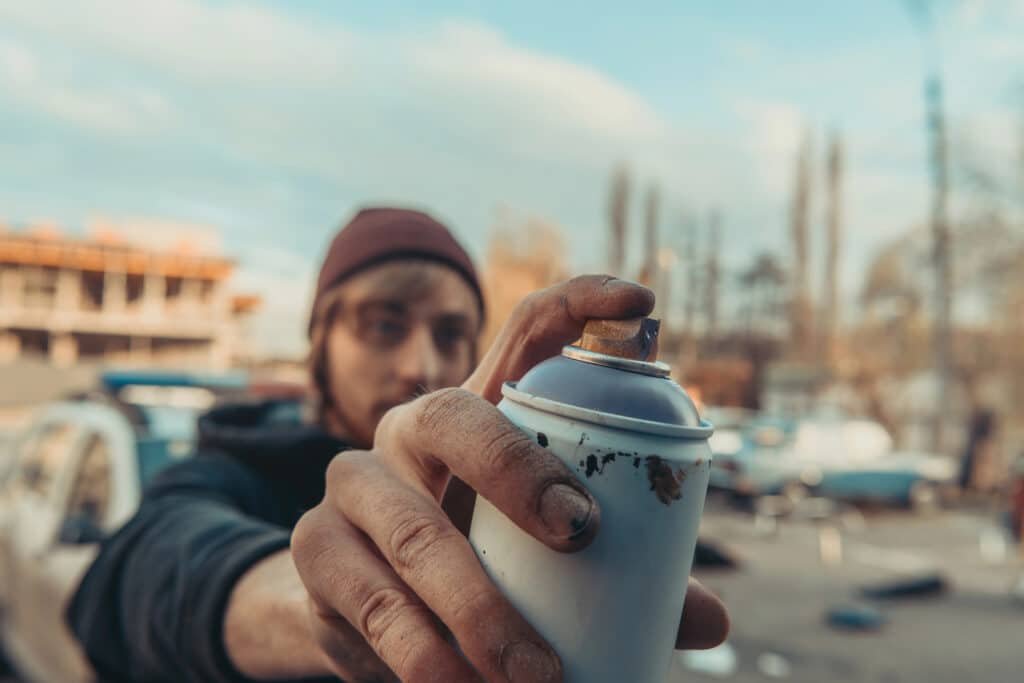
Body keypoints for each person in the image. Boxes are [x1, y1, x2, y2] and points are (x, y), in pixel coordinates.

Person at [67, 207, 729, 683]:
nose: (419, 364)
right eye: (383, 324)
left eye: (450, 333)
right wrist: (324, 602)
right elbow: (131, 584)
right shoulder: (225, 467)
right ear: (319, 342)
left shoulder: (519, 497)